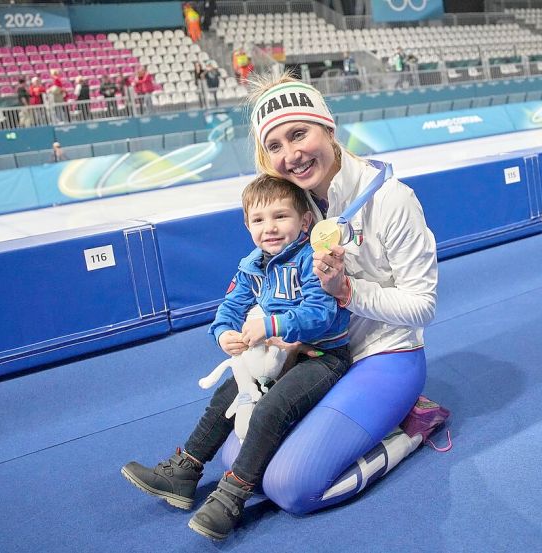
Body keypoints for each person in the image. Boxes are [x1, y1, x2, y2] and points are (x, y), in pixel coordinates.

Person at [123, 74, 439, 538]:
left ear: (328, 129)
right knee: (242, 460)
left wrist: (349, 294)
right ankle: (192, 471)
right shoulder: (293, 203)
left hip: (384, 354)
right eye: (275, 145)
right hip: (308, 354)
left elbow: (423, 305)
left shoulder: (391, 200)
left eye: (299, 134)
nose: (291, 155)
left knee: (292, 489)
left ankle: (412, 426)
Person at [122, 173, 352, 541]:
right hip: (274, 358)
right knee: (226, 396)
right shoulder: (252, 265)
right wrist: (224, 334)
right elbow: (227, 311)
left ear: (304, 221)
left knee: (270, 408)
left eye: (281, 217)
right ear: (247, 226)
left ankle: (232, 495)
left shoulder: (314, 260)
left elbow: (321, 314)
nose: (270, 228)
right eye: (259, 220)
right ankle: (185, 470)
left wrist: (273, 326)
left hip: (321, 356)